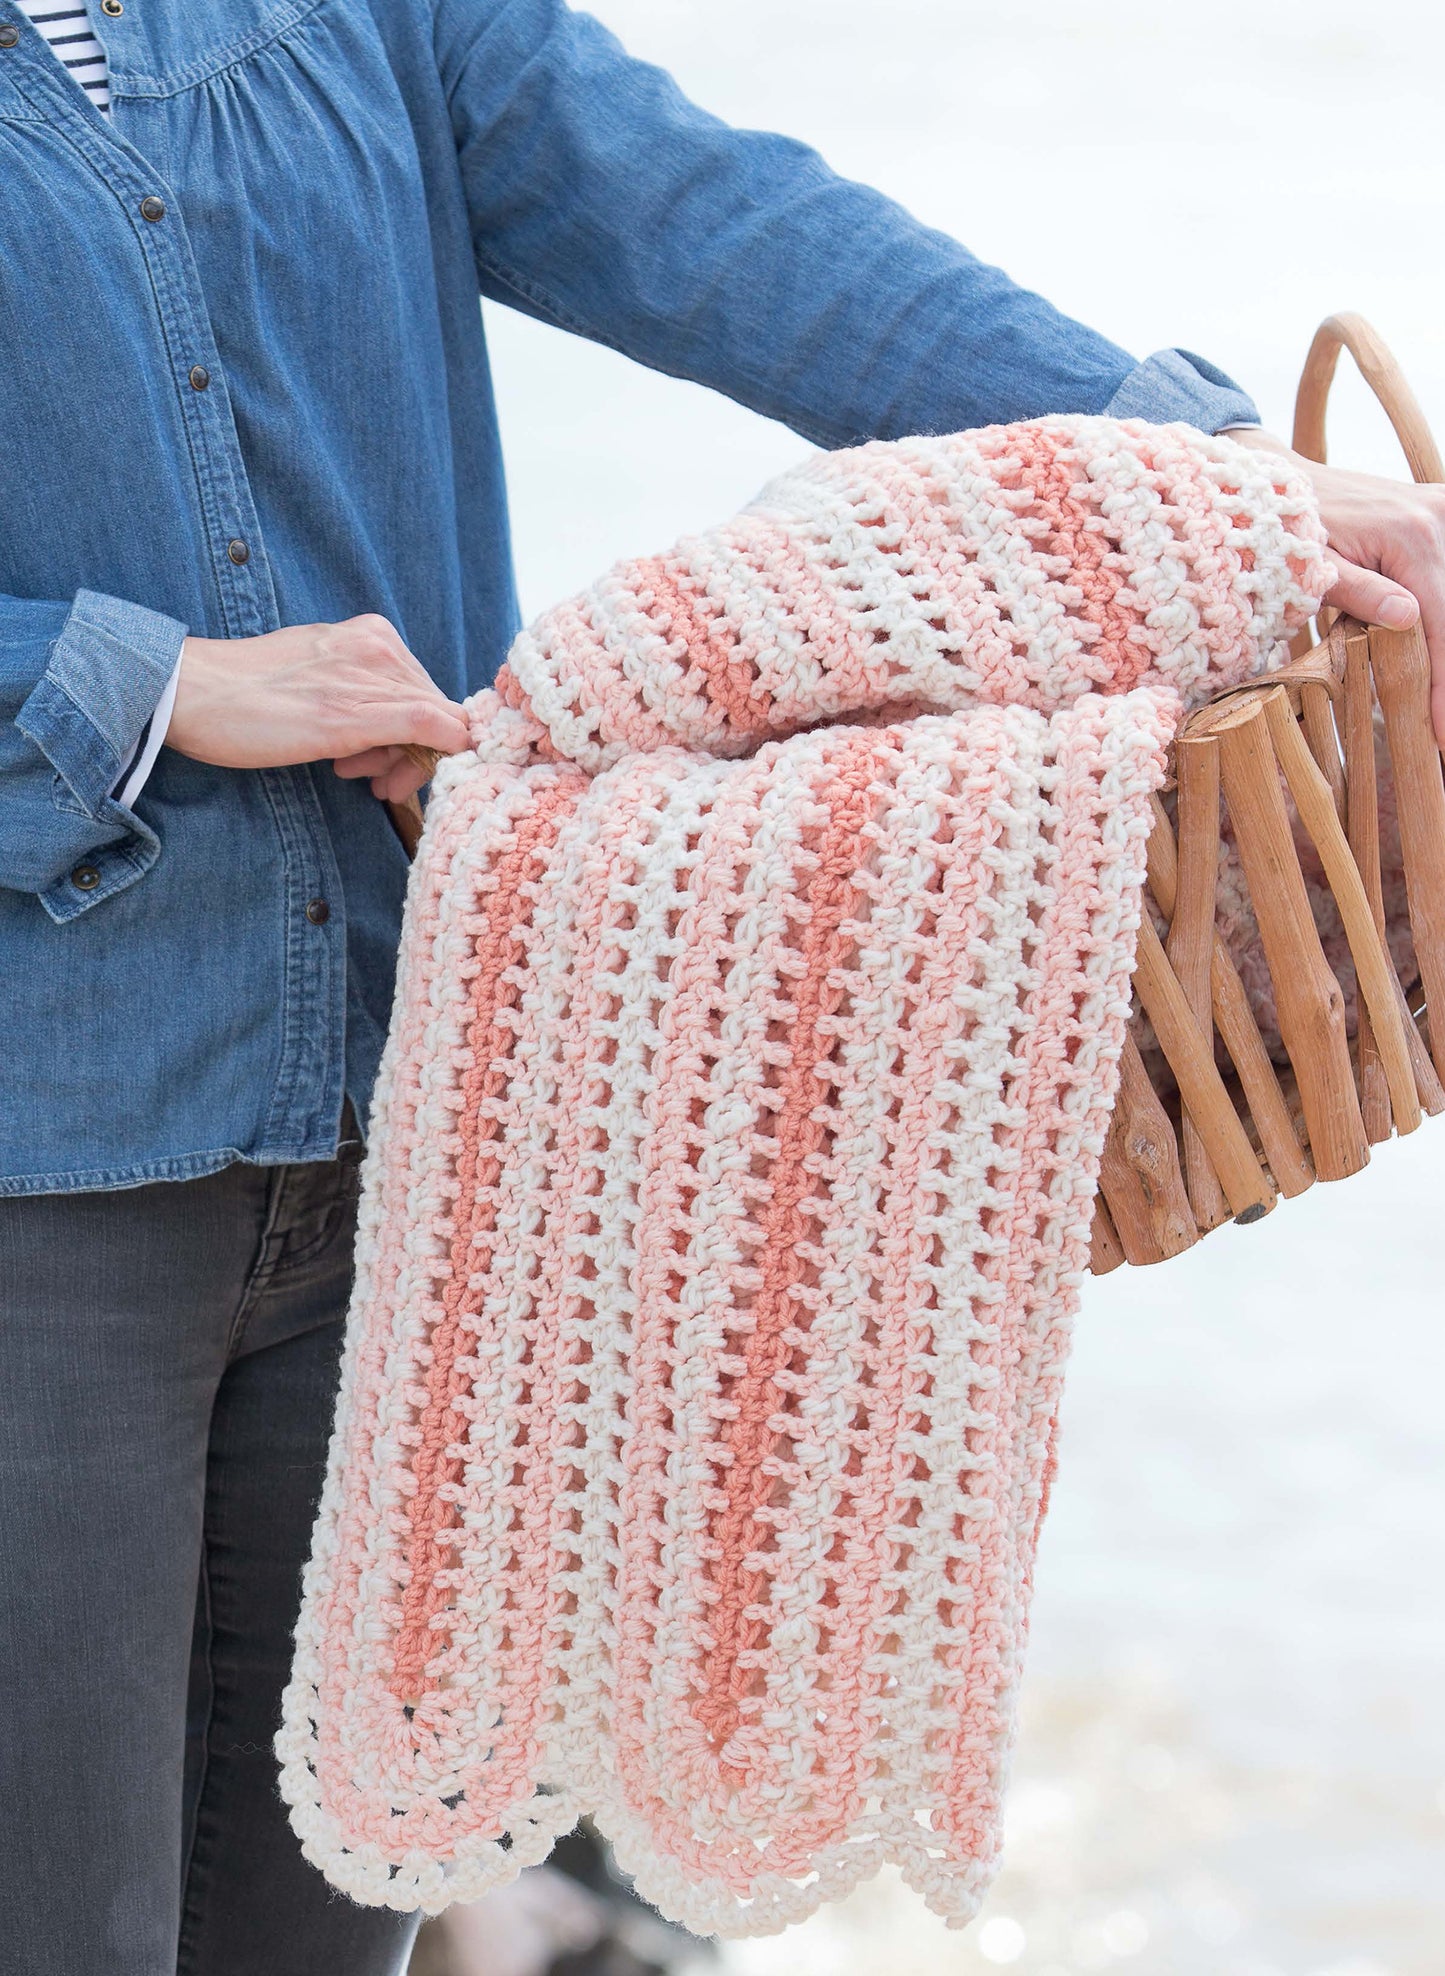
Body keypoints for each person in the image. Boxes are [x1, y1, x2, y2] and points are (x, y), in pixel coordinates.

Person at [0, 1, 1441, 1971]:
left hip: (415, 1133)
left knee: (326, 1921)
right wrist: (148, 681)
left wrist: (1208, 471)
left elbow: (720, 228)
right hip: (44, 1183)